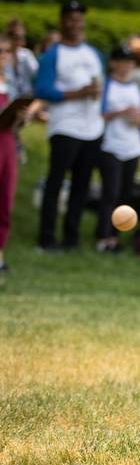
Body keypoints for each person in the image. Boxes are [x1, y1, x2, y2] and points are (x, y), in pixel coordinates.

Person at [35, 0, 105, 251]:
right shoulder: (53, 54)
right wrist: (77, 94)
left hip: (92, 127)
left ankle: (71, 238)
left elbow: (102, 87)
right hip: (65, 126)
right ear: (63, 21)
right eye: (71, 18)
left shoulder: (94, 54)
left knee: (82, 185)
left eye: (79, 19)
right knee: (56, 183)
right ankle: (46, 237)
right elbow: (42, 89)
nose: (76, 23)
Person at [95, 46, 140, 253]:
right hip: (110, 145)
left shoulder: (134, 87)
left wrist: (136, 118)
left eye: (130, 62)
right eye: (123, 61)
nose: (127, 66)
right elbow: (98, 114)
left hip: (132, 146)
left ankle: (116, 237)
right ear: (114, 63)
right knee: (110, 193)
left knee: (125, 194)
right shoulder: (106, 85)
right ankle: (103, 236)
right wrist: (121, 112)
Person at [0, 34, 27, 280]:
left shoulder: (11, 83)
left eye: (6, 51)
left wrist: (20, 117)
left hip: (8, 141)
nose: (3, 56)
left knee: (5, 200)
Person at [5, 19, 38, 97]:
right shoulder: (3, 55)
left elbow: (36, 73)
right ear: (9, 37)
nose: (23, 42)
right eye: (18, 37)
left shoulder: (26, 54)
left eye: (23, 37)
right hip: (8, 98)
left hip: (26, 96)